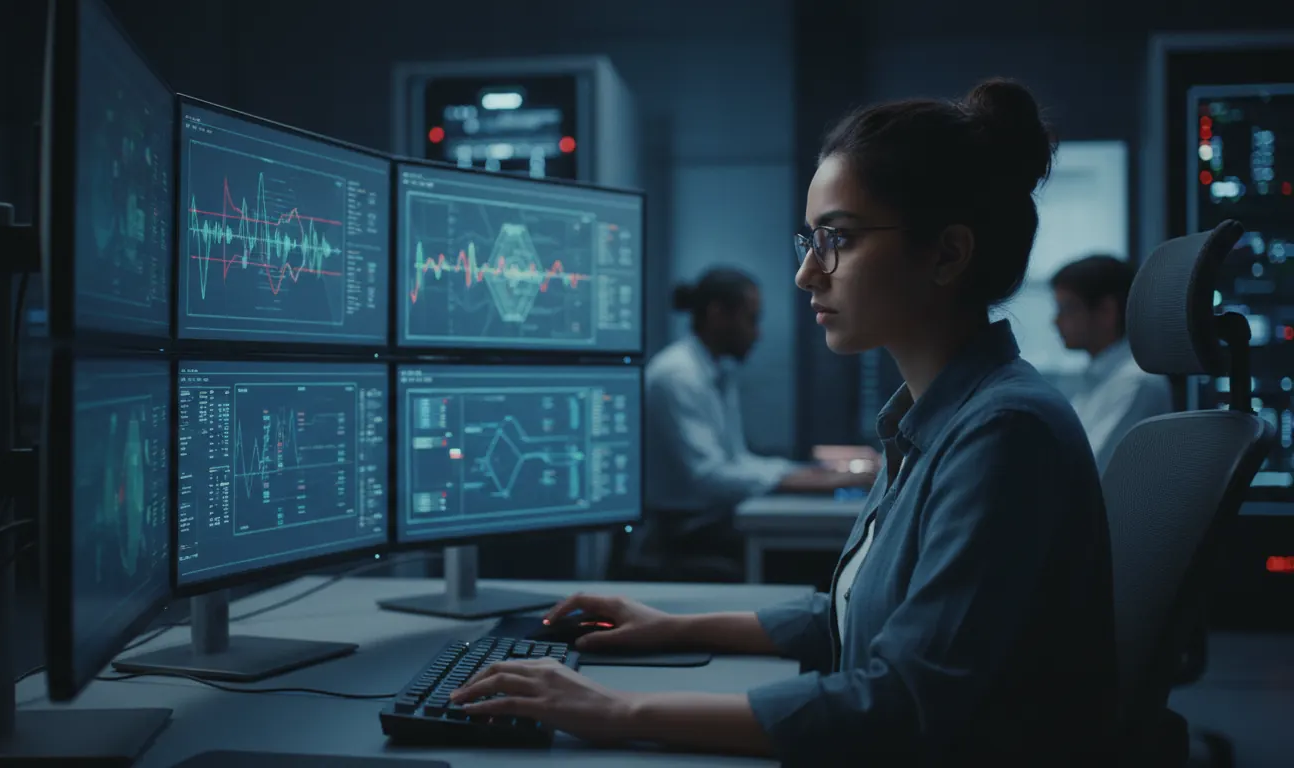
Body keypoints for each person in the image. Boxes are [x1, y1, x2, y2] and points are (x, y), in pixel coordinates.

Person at [450, 79, 1118, 764]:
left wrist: (616, 711)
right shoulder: (937, 418)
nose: (805, 274)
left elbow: (901, 703)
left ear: (947, 253)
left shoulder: (1004, 433)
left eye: (838, 239)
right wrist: (673, 626)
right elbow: (853, 611)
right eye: (810, 239)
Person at [636, 269, 874, 575]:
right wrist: (819, 481)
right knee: (806, 560)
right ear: (717, 314)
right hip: (679, 532)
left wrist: (808, 474)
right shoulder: (677, 376)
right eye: (751, 319)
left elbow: (738, 460)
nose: (757, 334)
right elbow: (710, 477)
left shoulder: (717, 371)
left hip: (708, 521)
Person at [1053, 254, 1173, 472]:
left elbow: (1089, 473)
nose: (1056, 321)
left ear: (1107, 312)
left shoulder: (1137, 382)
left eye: (1068, 308)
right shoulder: (1097, 379)